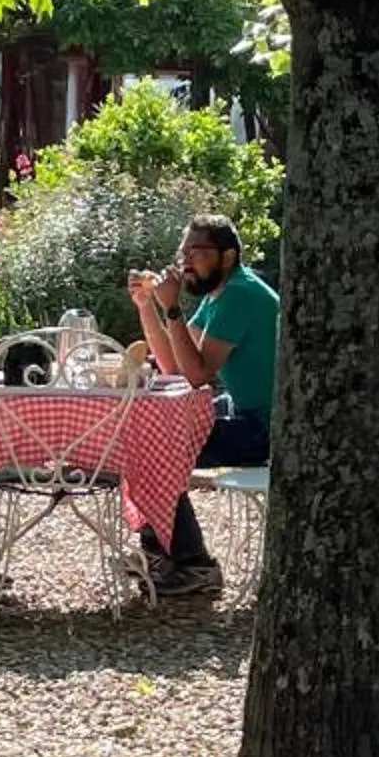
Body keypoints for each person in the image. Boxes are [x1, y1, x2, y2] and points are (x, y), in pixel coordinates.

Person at [125, 213, 276, 599]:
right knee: (144, 436)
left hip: (271, 426)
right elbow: (174, 365)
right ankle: (163, 550)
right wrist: (148, 306)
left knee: (154, 449)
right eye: (184, 251)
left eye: (198, 252)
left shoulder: (241, 293)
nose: (187, 260)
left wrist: (172, 308)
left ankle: (191, 564)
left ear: (227, 257)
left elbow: (196, 375)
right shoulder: (220, 295)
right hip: (247, 410)